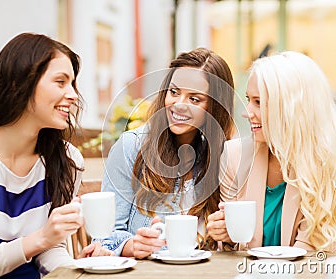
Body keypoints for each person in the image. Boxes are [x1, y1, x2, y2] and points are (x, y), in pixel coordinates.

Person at [207, 51, 336, 255]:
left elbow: (311, 247)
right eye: (248, 99)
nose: (246, 112)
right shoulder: (234, 155)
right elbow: (237, 244)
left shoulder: (333, 157)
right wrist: (226, 234)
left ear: (291, 107)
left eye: (258, 102)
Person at [0, 33, 110, 278]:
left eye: (72, 83)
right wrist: (40, 238)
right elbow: (42, 241)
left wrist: (76, 268)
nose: (72, 95)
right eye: (60, 82)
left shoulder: (67, 160)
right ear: (19, 83)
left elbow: (51, 249)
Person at [99, 48, 235, 259]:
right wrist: (131, 246)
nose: (179, 105)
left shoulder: (224, 155)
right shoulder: (131, 146)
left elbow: (233, 241)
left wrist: (228, 233)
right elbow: (103, 237)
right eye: (174, 92)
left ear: (215, 108)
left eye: (195, 99)